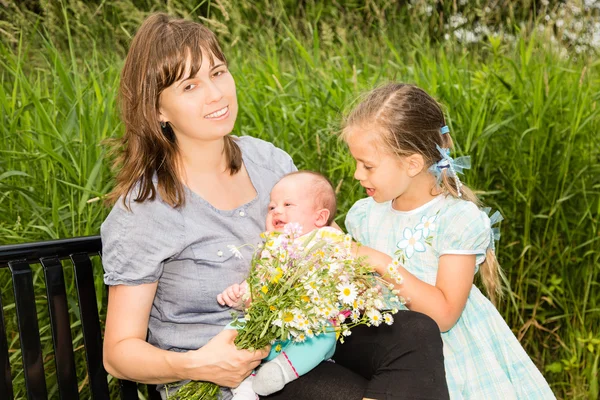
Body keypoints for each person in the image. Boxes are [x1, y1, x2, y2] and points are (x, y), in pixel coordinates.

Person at [100, 12, 449, 400]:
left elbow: (320, 246)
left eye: (218, 73)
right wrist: (197, 364)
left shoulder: (268, 162)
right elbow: (118, 355)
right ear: (158, 109)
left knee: (416, 332)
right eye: (189, 86)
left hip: (303, 338)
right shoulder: (146, 211)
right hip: (225, 379)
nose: (215, 94)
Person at [342, 82, 556, 399]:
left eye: (368, 166)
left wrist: (379, 261)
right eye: (356, 163)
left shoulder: (455, 221)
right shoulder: (365, 215)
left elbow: (443, 315)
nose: (358, 175)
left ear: (412, 163)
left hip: (453, 360)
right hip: (388, 351)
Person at [218, 171, 348, 399]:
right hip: (269, 322)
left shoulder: (326, 239)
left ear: (319, 218)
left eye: (288, 204)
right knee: (232, 331)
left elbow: (344, 270)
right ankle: (244, 382)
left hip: (308, 321)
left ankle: (281, 371)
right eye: (271, 207)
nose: (277, 210)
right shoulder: (269, 248)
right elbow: (257, 284)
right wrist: (241, 297)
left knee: (323, 337)